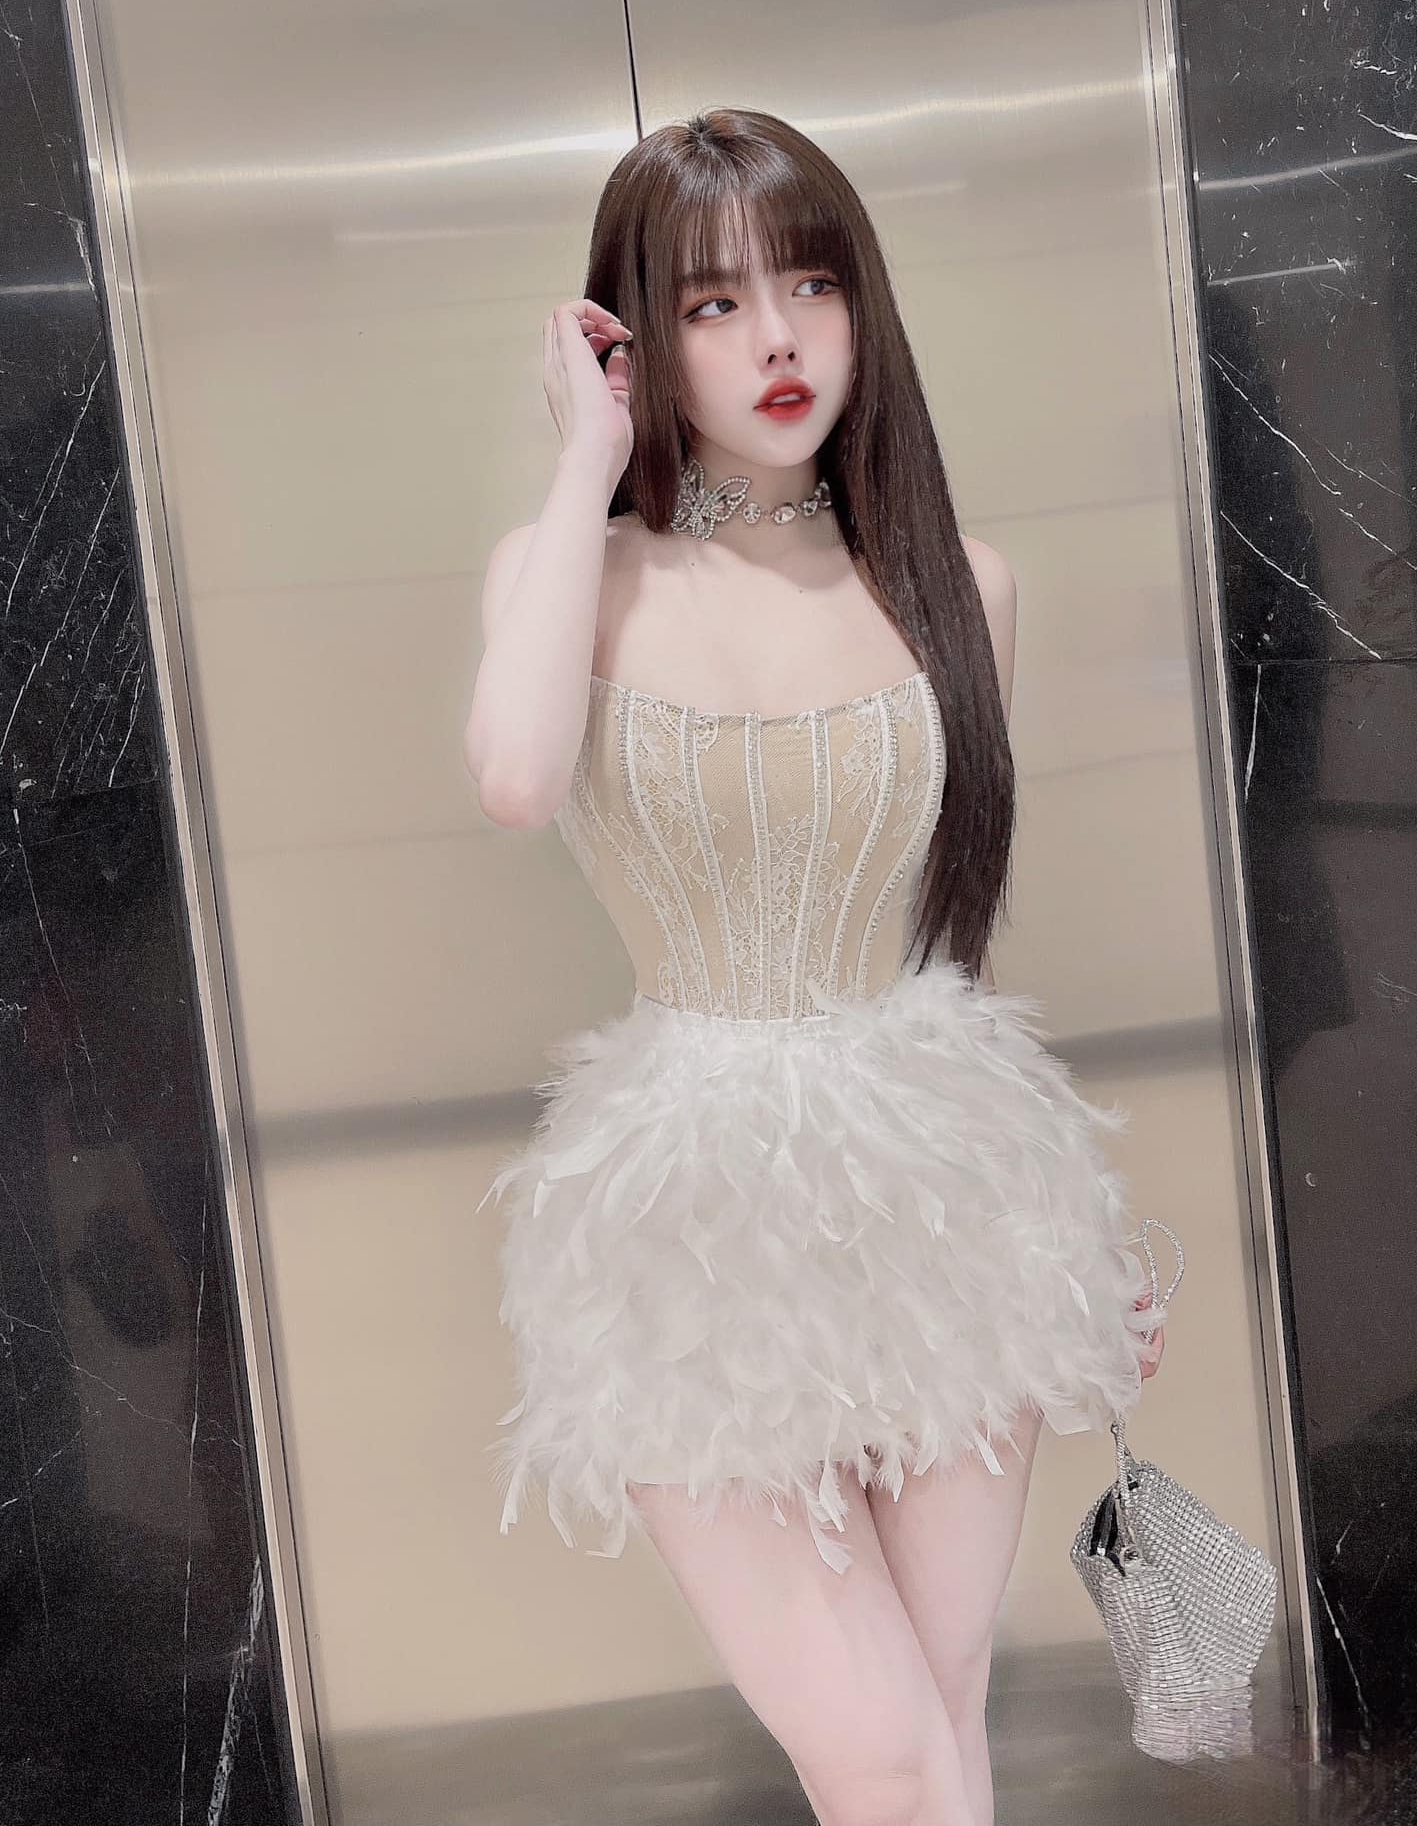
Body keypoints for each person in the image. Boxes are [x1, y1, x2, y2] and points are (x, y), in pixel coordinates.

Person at [465, 107, 1167, 1826]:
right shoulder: (570, 574)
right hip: (685, 1218)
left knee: (942, 1727)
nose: (778, 339)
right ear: (638, 334)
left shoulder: (962, 584)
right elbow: (518, 779)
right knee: (878, 1752)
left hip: (945, 1197)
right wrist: (582, 464)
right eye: (713, 304)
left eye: (813, 285)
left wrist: (1076, 1246)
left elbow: (947, 941)